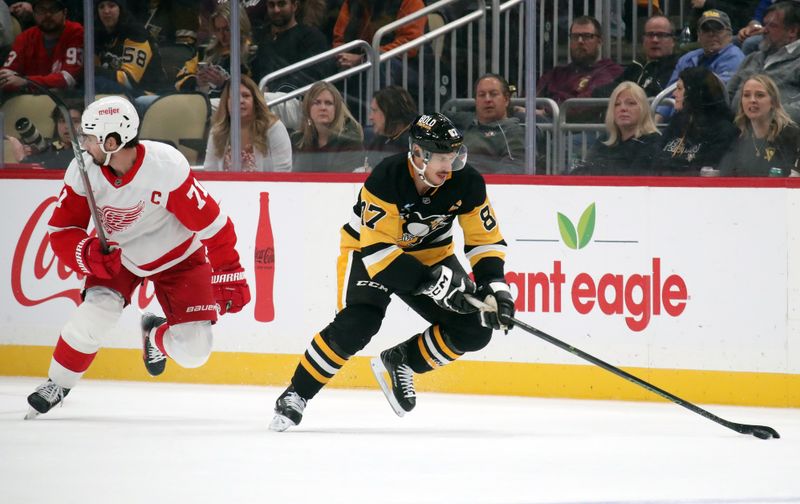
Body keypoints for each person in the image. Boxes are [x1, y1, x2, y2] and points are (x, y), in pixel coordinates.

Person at [268, 112, 515, 431]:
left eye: (453, 156)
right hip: (369, 252)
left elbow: (485, 242)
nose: (449, 166)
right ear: (417, 154)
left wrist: (495, 287)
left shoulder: (467, 183)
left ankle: (402, 361)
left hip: (430, 255)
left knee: (476, 328)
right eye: (442, 157)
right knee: (359, 323)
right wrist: (434, 284)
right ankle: (296, 394)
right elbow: (380, 255)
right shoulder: (386, 179)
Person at [24, 95, 251, 419]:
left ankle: (155, 333)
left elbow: (213, 225)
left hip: (178, 257)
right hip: (117, 257)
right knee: (94, 316)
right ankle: (57, 384)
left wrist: (230, 271)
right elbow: (62, 231)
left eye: (89, 136)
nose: (83, 143)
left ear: (112, 141)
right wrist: (87, 254)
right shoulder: (83, 169)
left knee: (195, 351)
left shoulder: (166, 167)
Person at [655, 9, 745, 121]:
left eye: (718, 29)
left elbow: (716, 94)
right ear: (698, 35)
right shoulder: (687, 59)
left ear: (729, 34)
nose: (712, 34)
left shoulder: (734, 57)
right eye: (706, 29)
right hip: (679, 123)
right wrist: (657, 120)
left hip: (711, 122)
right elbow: (669, 94)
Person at [652, 66, 738, 175]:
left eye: (679, 89)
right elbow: (655, 155)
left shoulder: (723, 130)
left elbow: (705, 169)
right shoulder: (679, 120)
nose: (674, 94)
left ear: (695, 93)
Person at [727, 2, 800, 123]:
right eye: (765, 24)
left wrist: (769, 117)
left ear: (792, 31)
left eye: (772, 26)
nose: (764, 30)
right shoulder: (753, 58)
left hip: (780, 134)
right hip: (736, 131)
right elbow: (729, 93)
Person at [203, 75, 292, 172]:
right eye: (234, 97)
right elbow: (210, 171)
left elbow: (283, 172)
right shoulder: (217, 131)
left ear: (256, 101)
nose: (240, 101)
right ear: (226, 102)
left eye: (246, 96)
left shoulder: (274, 128)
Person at [572, 81, 661, 176]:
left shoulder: (653, 142)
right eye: (617, 104)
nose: (623, 108)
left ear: (643, 108)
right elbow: (585, 171)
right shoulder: (604, 141)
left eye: (631, 103)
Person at [719, 74, 800, 176]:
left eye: (760, 95)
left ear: (773, 102)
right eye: (747, 95)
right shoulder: (736, 137)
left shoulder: (791, 135)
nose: (752, 100)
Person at [536, 16, 623, 106]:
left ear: (600, 41)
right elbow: (532, 98)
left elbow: (584, 105)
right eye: (575, 36)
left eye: (587, 36)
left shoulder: (610, 71)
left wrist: (546, 111)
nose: (580, 41)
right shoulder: (556, 74)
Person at [0, 0, 83, 92]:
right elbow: (5, 74)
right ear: (34, 14)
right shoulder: (25, 37)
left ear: (65, 12)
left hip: (68, 100)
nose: (47, 14)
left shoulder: (75, 32)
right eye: (41, 10)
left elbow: (69, 78)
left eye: (53, 9)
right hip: (29, 101)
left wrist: (26, 82)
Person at [175, 2, 253, 99]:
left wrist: (223, 84)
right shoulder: (204, 51)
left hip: (232, 108)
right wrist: (197, 81)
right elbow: (179, 81)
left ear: (240, 27)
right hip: (200, 104)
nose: (222, 35)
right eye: (218, 29)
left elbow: (254, 91)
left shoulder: (252, 54)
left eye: (227, 29)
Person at [251, 0, 331, 94]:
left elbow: (312, 75)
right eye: (271, 5)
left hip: (298, 99)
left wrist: (275, 93)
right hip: (263, 100)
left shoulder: (311, 37)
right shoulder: (262, 40)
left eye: (281, 4)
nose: (276, 10)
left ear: (294, 6)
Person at [94, 0, 169, 97]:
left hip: (149, 95)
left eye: (111, 6)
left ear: (121, 9)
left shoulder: (136, 33)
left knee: (96, 82)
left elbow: (129, 80)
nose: (106, 11)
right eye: (101, 7)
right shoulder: (98, 35)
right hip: (120, 94)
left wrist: (94, 71)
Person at [593, 15, 679, 98]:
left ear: (673, 41)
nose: (654, 40)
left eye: (660, 35)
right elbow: (607, 90)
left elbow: (656, 96)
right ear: (643, 39)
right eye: (650, 35)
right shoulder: (636, 66)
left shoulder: (677, 68)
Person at [291, 81, 364, 172]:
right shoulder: (299, 140)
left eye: (328, 103)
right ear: (307, 108)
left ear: (336, 109)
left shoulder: (350, 139)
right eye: (317, 103)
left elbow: (341, 180)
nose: (323, 108)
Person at [461, 73, 526, 174]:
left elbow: (514, 169)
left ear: (506, 100)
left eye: (493, 94)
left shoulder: (513, 131)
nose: (487, 99)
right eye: (482, 95)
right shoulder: (465, 128)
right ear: (476, 101)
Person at [6, 99, 83, 169]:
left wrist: (22, 159)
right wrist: (29, 155)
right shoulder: (48, 145)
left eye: (75, 121)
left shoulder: (87, 151)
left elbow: (48, 171)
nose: (67, 126)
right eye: (62, 121)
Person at [364, 85, 416, 170]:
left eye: (374, 111)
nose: (370, 117)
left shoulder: (415, 145)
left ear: (390, 112)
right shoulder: (378, 141)